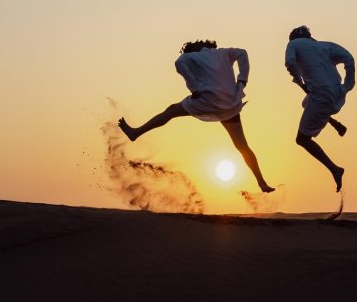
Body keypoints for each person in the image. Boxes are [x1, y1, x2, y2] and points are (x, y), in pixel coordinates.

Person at [118, 40, 276, 193]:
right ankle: (262, 183)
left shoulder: (189, 56)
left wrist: (194, 87)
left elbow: (179, 63)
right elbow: (243, 53)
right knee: (242, 147)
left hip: (208, 99)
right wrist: (242, 82)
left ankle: (135, 133)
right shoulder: (224, 52)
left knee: (171, 111)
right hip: (230, 104)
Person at [284, 25, 354, 191]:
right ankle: (333, 122)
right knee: (306, 102)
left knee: (302, 139)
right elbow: (349, 59)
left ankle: (335, 170)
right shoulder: (325, 46)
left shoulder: (293, 45)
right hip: (337, 93)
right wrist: (348, 85)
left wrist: (298, 78)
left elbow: (290, 63)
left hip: (322, 96)